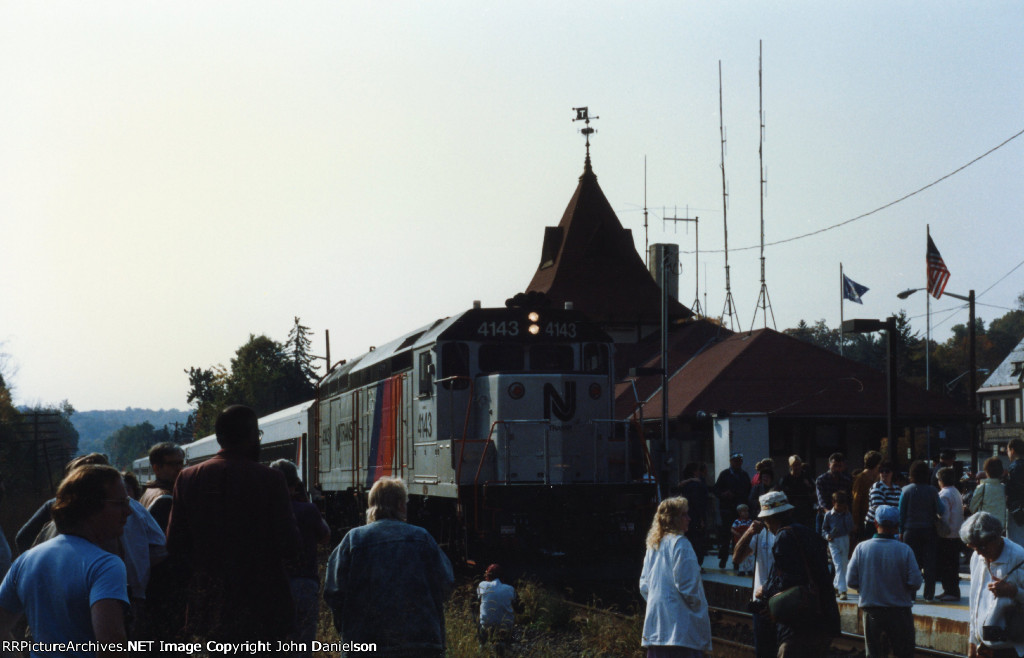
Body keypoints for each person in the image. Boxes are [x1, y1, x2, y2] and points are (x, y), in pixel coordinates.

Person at [166, 405, 299, 643]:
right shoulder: (271, 479)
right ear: (251, 436)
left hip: (209, 604)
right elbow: (289, 543)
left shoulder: (187, 478)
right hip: (263, 606)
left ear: (219, 438)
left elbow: (175, 544)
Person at [0, 465, 131, 657]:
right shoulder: (105, 565)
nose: (129, 511)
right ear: (91, 507)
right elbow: (110, 644)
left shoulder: (26, 560)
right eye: (120, 503)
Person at [324, 477, 453, 656]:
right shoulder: (422, 538)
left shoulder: (353, 540)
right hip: (420, 643)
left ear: (371, 505)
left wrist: (348, 631)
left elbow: (334, 592)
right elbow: (445, 584)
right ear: (401, 505)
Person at [757, 491, 841, 656]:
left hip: (799, 624)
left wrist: (765, 590)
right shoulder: (806, 532)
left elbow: (788, 579)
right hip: (823, 616)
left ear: (770, 519)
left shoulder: (783, 537)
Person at [270, 459, 330, 658]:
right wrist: (305, 500)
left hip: (273, 584)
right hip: (304, 583)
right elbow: (325, 536)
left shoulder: (262, 510)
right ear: (295, 485)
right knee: (302, 646)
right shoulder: (307, 510)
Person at [639, 496, 712, 657]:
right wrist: (699, 610)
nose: (689, 518)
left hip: (657, 625)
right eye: (684, 515)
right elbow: (687, 586)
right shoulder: (681, 544)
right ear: (672, 520)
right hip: (680, 629)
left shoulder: (654, 545)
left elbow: (644, 585)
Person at [846, 505, 922, 658]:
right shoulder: (905, 550)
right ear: (896, 526)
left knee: (874, 654)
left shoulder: (861, 548)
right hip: (899, 612)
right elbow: (915, 582)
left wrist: (867, 587)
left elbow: (850, 581)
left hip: (872, 611)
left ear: (875, 523)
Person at [962, 512, 1024, 658]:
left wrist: (1013, 592)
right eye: (974, 548)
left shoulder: (1019, 558)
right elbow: (974, 601)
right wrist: (972, 642)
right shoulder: (977, 556)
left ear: (997, 537)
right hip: (984, 646)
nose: (980, 553)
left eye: (982, 547)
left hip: (1011, 650)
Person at [733, 493, 778, 658]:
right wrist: (749, 532)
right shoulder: (760, 533)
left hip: (782, 604)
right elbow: (737, 558)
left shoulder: (788, 533)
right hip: (761, 605)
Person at [899, 460, 945, 602]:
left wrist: (901, 531)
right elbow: (941, 509)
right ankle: (929, 595)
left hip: (910, 531)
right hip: (929, 531)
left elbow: (901, 513)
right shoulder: (932, 490)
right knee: (929, 564)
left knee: (912, 564)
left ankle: (911, 594)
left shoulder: (906, 490)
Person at [714, 453, 751, 570]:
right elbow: (716, 490)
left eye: (739, 461)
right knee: (726, 535)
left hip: (739, 511)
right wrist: (723, 494)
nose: (737, 463)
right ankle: (723, 558)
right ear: (731, 461)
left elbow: (748, 491)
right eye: (735, 461)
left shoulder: (744, 475)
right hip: (727, 509)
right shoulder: (725, 474)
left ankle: (737, 561)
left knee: (739, 536)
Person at [139, 442, 185, 532]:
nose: (179, 468)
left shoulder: (149, 491)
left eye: (180, 463)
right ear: (156, 468)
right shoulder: (165, 499)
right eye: (172, 464)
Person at [936, 466, 966, 602]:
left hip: (947, 535)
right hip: (957, 533)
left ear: (941, 480)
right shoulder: (956, 492)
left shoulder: (943, 494)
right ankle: (951, 590)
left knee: (946, 565)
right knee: (953, 565)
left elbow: (944, 515)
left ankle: (950, 591)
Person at [675, 463, 710, 567]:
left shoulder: (683, 485)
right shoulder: (698, 485)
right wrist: (702, 518)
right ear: (695, 472)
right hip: (696, 516)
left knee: (688, 539)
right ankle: (697, 563)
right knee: (698, 541)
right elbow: (699, 503)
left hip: (685, 515)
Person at [477, 564, 515, 656]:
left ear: (488, 575)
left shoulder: (482, 585)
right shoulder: (510, 589)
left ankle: (482, 646)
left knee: (480, 622)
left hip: (487, 625)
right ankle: (506, 645)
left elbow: (477, 603)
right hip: (505, 626)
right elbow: (519, 607)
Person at [822, 491, 853, 600]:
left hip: (844, 539)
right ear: (833, 503)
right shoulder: (828, 515)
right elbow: (824, 530)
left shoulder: (846, 514)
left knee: (844, 565)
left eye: (842, 505)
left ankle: (836, 585)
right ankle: (843, 590)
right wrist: (827, 537)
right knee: (838, 565)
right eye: (838, 505)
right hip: (833, 541)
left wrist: (847, 514)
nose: (840, 508)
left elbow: (850, 528)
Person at [815, 452, 852, 537]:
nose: (837, 469)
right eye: (835, 466)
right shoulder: (821, 480)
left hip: (841, 516)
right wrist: (829, 513)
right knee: (820, 541)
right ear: (829, 465)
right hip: (824, 515)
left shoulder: (846, 481)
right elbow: (821, 500)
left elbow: (849, 499)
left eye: (840, 466)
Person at [852, 451, 883, 541]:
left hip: (876, 518)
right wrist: (856, 522)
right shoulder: (860, 478)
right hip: (864, 519)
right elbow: (856, 501)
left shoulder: (878, 477)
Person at [778, 455, 816, 528]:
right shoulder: (785, 479)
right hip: (791, 511)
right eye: (795, 465)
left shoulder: (807, 477)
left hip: (806, 511)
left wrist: (809, 486)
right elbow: (781, 494)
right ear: (790, 466)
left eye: (799, 464)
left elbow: (814, 491)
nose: (797, 467)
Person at [972, 457, 1008, 528]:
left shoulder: (982, 487)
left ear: (986, 471)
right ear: (1001, 472)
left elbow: (972, 507)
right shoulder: (1004, 488)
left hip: (984, 524)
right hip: (1000, 525)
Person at [866, 461, 901, 530]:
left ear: (892, 473)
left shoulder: (897, 488)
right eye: (881, 471)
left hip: (891, 525)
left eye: (887, 471)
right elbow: (880, 510)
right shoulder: (877, 487)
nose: (884, 473)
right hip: (875, 525)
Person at [1006, 438, 1024, 546]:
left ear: (1012, 450)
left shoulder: (1014, 467)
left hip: (1017, 510)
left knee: (1016, 542)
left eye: (1007, 450)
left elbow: (1011, 490)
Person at [731, 504, 755, 575]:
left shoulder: (750, 521)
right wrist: (737, 533)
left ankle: (750, 569)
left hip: (748, 542)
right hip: (740, 541)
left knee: (749, 556)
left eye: (747, 511)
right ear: (739, 513)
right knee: (741, 556)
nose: (746, 513)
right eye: (744, 511)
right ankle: (742, 570)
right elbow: (732, 529)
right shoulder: (737, 521)